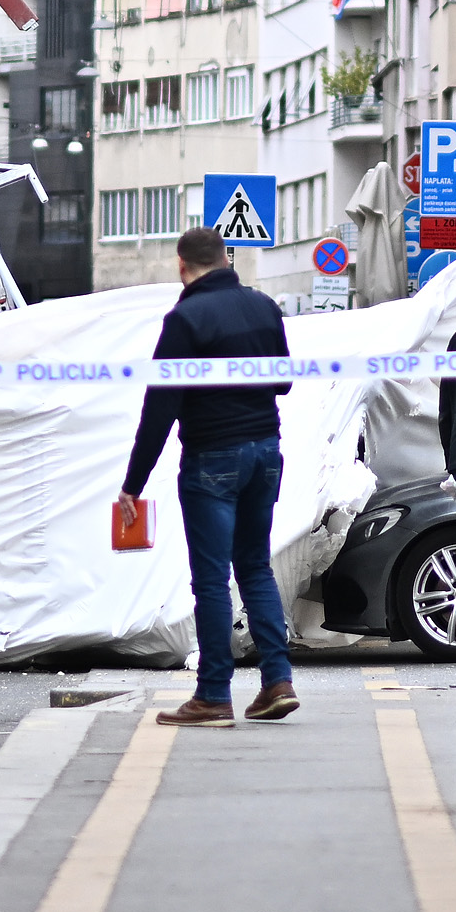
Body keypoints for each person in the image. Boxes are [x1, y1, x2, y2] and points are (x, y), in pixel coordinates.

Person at [121, 224, 301, 726]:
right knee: (255, 567)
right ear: (226, 258)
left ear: (182, 266)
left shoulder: (185, 318)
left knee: (212, 580)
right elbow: (282, 381)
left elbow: (161, 407)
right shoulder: (264, 306)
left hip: (212, 459)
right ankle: (277, 681)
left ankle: (214, 695)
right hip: (266, 452)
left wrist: (132, 484)